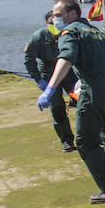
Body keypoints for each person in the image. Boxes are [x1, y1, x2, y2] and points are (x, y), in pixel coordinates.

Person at [38, 0, 105, 204]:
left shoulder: (70, 32)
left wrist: (50, 88)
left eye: (58, 15)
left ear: (73, 14)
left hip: (94, 89)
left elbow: (65, 58)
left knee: (85, 142)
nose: (55, 20)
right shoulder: (99, 32)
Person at [24, 11, 78, 153]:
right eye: (50, 24)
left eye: (56, 23)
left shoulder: (67, 33)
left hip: (68, 71)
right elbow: (28, 59)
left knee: (82, 102)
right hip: (48, 72)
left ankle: (89, 135)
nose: (54, 26)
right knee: (58, 108)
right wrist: (38, 79)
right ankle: (66, 140)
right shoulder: (38, 37)